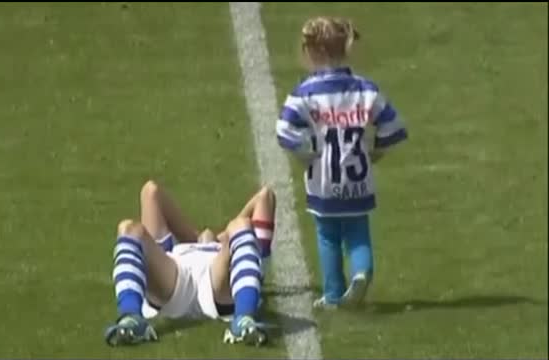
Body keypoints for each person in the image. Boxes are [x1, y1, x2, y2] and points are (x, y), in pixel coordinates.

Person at [276, 17, 408, 308]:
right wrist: (377, 152)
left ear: (311, 52)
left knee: (328, 236)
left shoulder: (305, 93)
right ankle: (362, 272)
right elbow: (394, 127)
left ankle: (334, 294)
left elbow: (284, 131)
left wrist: (306, 151)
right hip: (359, 181)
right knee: (358, 230)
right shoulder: (366, 89)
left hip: (324, 181)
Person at [104, 181, 276, 346]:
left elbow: (265, 197)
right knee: (128, 228)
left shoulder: (225, 245)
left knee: (241, 225)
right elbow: (151, 192)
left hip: (215, 279)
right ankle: (131, 318)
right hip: (176, 276)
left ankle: (244, 320)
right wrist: (198, 237)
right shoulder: (178, 249)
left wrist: (220, 236)